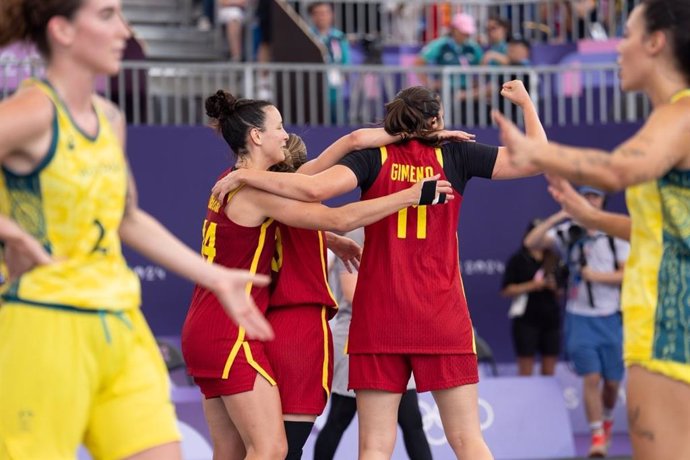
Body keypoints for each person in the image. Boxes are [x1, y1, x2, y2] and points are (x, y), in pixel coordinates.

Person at [211, 79, 547, 459]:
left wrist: (246, 175)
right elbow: (538, 159)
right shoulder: (456, 155)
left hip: (378, 316)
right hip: (440, 312)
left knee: (373, 446)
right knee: (468, 440)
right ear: (436, 120)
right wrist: (525, 103)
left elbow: (313, 188)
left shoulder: (372, 158)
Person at [0, 1, 273, 458]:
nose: (125, 30)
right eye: (107, 15)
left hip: (121, 323)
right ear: (63, 32)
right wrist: (9, 229)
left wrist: (216, 277)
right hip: (45, 325)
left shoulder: (109, 117)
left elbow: (126, 217)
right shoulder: (32, 111)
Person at [181, 90, 454, 459]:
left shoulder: (235, 180)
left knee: (230, 453)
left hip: (205, 325)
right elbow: (337, 215)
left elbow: (351, 143)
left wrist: (328, 240)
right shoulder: (254, 189)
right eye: (278, 127)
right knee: (271, 449)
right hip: (232, 330)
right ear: (256, 136)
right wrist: (409, 195)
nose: (285, 134)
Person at [493, 1, 690, 458]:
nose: (618, 48)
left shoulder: (678, 116)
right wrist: (592, 218)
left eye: (627, 35)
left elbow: (619, 169)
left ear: (656, 42)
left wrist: (538, 153)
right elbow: (661, 229)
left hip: (669, 323)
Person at [524, 187, 629, 457]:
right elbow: (532, 243)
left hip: (610, 316)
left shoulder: (615, 232)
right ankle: (596, 435)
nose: (591, 201)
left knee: (612, 383)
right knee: (590, 377)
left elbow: (626, 275)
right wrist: (560, 215)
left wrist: (594, 276)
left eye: (595, 196)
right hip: (579, 316)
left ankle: (606, 419)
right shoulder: (569, 231)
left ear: (603, 200)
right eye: (586, 197)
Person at [314, 227, 433, 460]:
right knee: (339, 418)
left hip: (397, 340)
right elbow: (353, 294)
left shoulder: (406, 233)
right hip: (356, 339)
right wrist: (404, 292)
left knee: (412, 422)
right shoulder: (356, 236)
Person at [501, 219, 564, 377]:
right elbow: (506, 290)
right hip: (526, 320)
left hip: (551, 320)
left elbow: (562, 290)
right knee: (525, 370)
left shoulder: (555, 259)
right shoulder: (518, 260)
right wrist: (533, 285)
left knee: (549, 370)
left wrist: (553, 287)